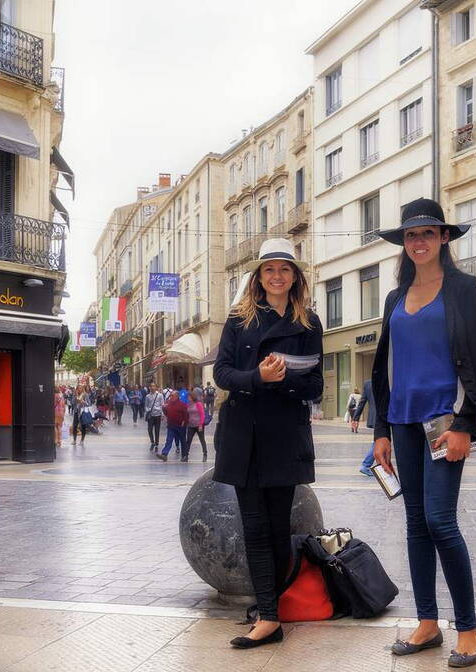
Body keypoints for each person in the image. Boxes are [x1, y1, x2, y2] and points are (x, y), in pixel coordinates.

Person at [370, 198, 476, 666]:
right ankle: (427, 622)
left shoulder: (463, 288)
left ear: (443, 238)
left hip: (443, 419)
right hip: (401, 421)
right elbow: (385, 367)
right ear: (404, 243)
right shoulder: (394, 297)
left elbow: (474, 362)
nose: (419, 242)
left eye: (428, 234)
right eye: (411, 235)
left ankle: (470, 629)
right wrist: (380, 429)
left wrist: (466, 425)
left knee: (440, 521)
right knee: (415, 524)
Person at [213, 237, 323, 649]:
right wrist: (259, 378)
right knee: (255, 527)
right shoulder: (239, 319)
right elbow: (222, 374)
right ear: (258, 277)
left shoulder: (309, 323)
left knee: (278, 529)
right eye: (269, 269)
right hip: (243, 435)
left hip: (284, 435)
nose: (277, 276)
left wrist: (283, 378)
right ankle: (269, 615)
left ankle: (271, 610)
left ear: (295, 277)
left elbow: (315, 384)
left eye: (285, 269)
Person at [352, 379, 377, 476]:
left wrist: (355, 418)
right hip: (387, 416)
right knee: (378, 441)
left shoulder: (368, 383)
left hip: (375, 417)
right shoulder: (388, 379)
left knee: (379, 441)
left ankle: (372, 465)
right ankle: (366, 465)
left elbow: (362, 402)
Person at [157, 391, 188, 462]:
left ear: (177, 396)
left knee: (182, 441)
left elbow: (186, 415)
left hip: (180, 426)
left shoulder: (182, 405)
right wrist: (164, 408)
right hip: (171, 425)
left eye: (172, 396)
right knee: (169, 440)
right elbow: (166, 412)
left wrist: (184, 422)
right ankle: (164, 454)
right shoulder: (169, 404)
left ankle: (184, 456)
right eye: (170, 396)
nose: (170, 397)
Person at [186, 387, 208, 463]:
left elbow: (202, 415)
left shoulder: (198, 404)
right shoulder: (188, 404)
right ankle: (186, 455)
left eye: (189, 397)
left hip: (199, 425)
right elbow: (187, 414)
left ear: (192, 397)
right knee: (188, 440)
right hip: (191, 425)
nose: (188, 398)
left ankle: (205, 454)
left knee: (202, 440)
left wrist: (201, 425)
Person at [145, 382, 165, 452]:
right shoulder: (147, 396)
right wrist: (148, 410)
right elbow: (146, 406)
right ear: (149, 387)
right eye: (151, 386)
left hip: (158, 415)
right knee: (149, 430)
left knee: (157, 430)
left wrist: (162, 414)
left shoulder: (160, 395)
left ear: (156, 387)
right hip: (151, 415)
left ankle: (156, 444)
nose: (152, 388)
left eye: (154, 386)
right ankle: (152, 442)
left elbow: (162, 405)